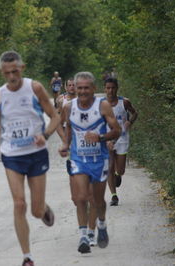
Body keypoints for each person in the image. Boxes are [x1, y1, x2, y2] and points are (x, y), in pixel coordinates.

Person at [0, 51, 60, 266]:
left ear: (22, 68)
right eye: (7, 73)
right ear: (1, 72)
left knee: (36, 211)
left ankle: (44, 208)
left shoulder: (34, 88)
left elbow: (55, 116)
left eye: (15, 71)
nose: (12, 77)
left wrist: (44, 135)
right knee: (19, 204)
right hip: (12, 154)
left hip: (36, 154)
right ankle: (27, 256)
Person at [58, 72, 121, 253]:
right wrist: (65, 144)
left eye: (86, 88)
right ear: (75, 89)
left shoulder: (103, 106)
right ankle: (84, 236)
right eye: (80, 88)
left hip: (99, 160)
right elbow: (66, 127)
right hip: (79, 159)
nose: (83, 91)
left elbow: (116, 130)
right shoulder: (69, 107)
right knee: (81, 197)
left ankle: (100, 224)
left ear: (93, 89)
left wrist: (100, 137)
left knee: (98, 200)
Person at [56, 78, 98, 249]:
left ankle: (90, 232)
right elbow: (58, 123)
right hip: (75, 154)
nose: (78, 90)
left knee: (92, 197)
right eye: (74, 86)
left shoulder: (99, 107)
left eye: (83, 88)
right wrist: (65, 141)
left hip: (95, 156)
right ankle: (86, 225)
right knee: (77, 198)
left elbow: (112, 128)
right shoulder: (65, 104)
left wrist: (105, 139)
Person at [104, 77, 138, 206]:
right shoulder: (100, 104)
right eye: (108, 88)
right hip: (107, 139)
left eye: (113, 88)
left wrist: (129, 121)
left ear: (117, 88)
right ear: (104, 89)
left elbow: (135, 113)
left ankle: (119, 174)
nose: (110, 90)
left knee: (121, 169)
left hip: (122, 138)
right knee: (109, 167)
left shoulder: (124, 102)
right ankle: (114, 196)